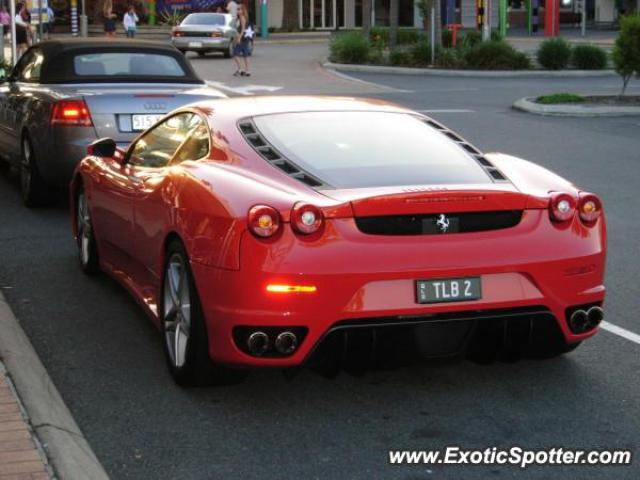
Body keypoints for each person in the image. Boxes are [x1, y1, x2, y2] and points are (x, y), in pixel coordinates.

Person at [232, 5, 251, 77]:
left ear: (243, 10)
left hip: (242, 38)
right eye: (237, 9)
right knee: (244, 55)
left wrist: (239, 38)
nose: (237, 10)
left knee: (235, 54)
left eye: (239, 9)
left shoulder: (242, 17)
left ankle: (242, 69)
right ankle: (246, 70)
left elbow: (243, 29)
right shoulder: (239, 18)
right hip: (242, 38)